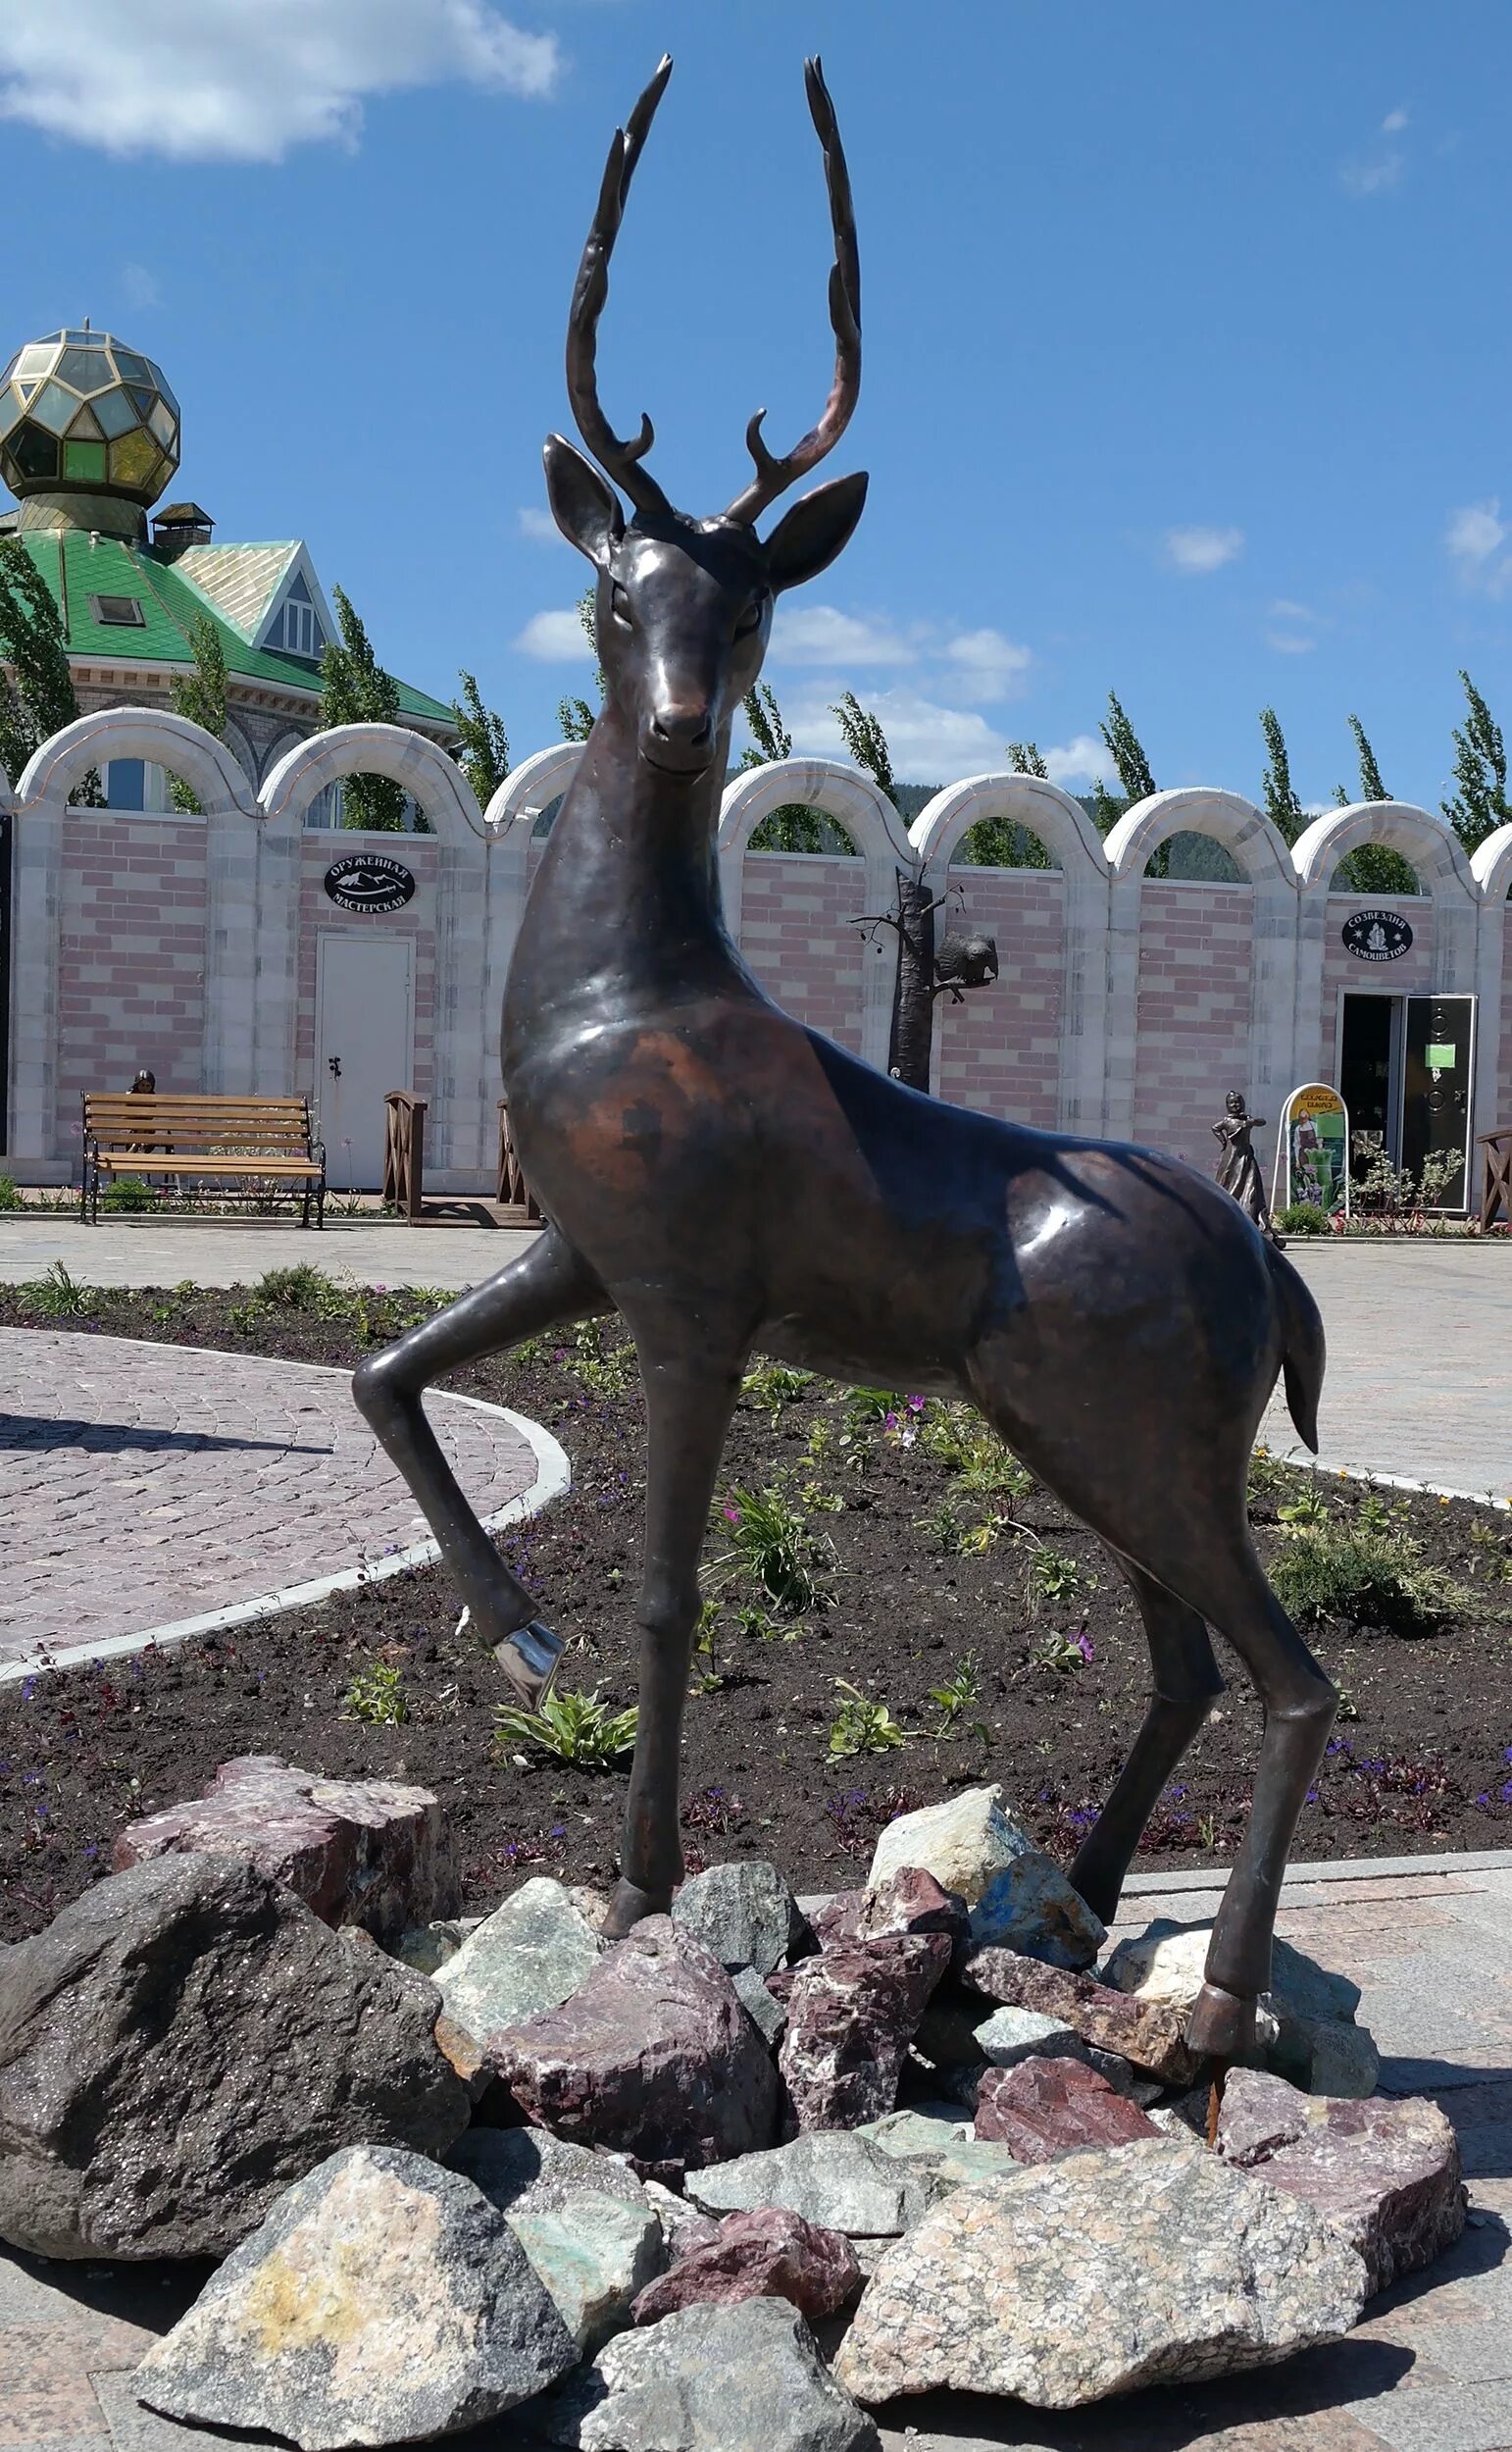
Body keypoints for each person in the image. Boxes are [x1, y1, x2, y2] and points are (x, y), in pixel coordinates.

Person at [1212, 1090, 1285, 1246]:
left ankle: (1251, 1220)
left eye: (1238, 1102)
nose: (1235, 1105)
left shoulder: (1246, 1119)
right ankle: (1228, 1218)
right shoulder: (1227, 1121)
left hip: (1246, 1157)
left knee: (1252, 1188)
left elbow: (1262, 1121)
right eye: (1231, 1103)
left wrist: (1251, 1122)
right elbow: (1215, 1128)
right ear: (1227, 1105)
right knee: (1229, 1186)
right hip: (1231, 1158)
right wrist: (1223, 1142)